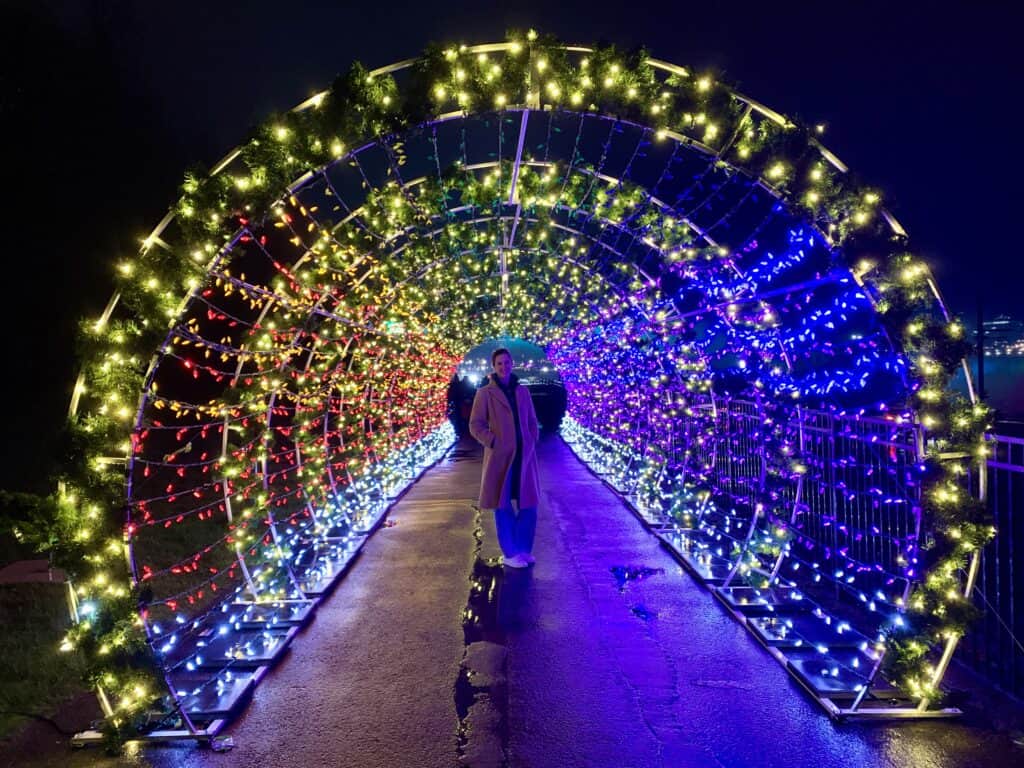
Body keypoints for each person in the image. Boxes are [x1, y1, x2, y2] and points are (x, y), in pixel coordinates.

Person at [469, 348, 541, 568]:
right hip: (501, 457)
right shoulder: (485, 394)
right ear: (494, 366)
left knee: (530, 503)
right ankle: (510, 553)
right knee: (503, 505)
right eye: (499, 363)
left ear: (512, 364)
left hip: (524, 455)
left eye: (506, 363)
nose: (503, 367)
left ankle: (523, 549)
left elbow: (531, 419)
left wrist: (531, 438)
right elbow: (475, 425)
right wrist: (493, 442)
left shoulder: (522, 392)